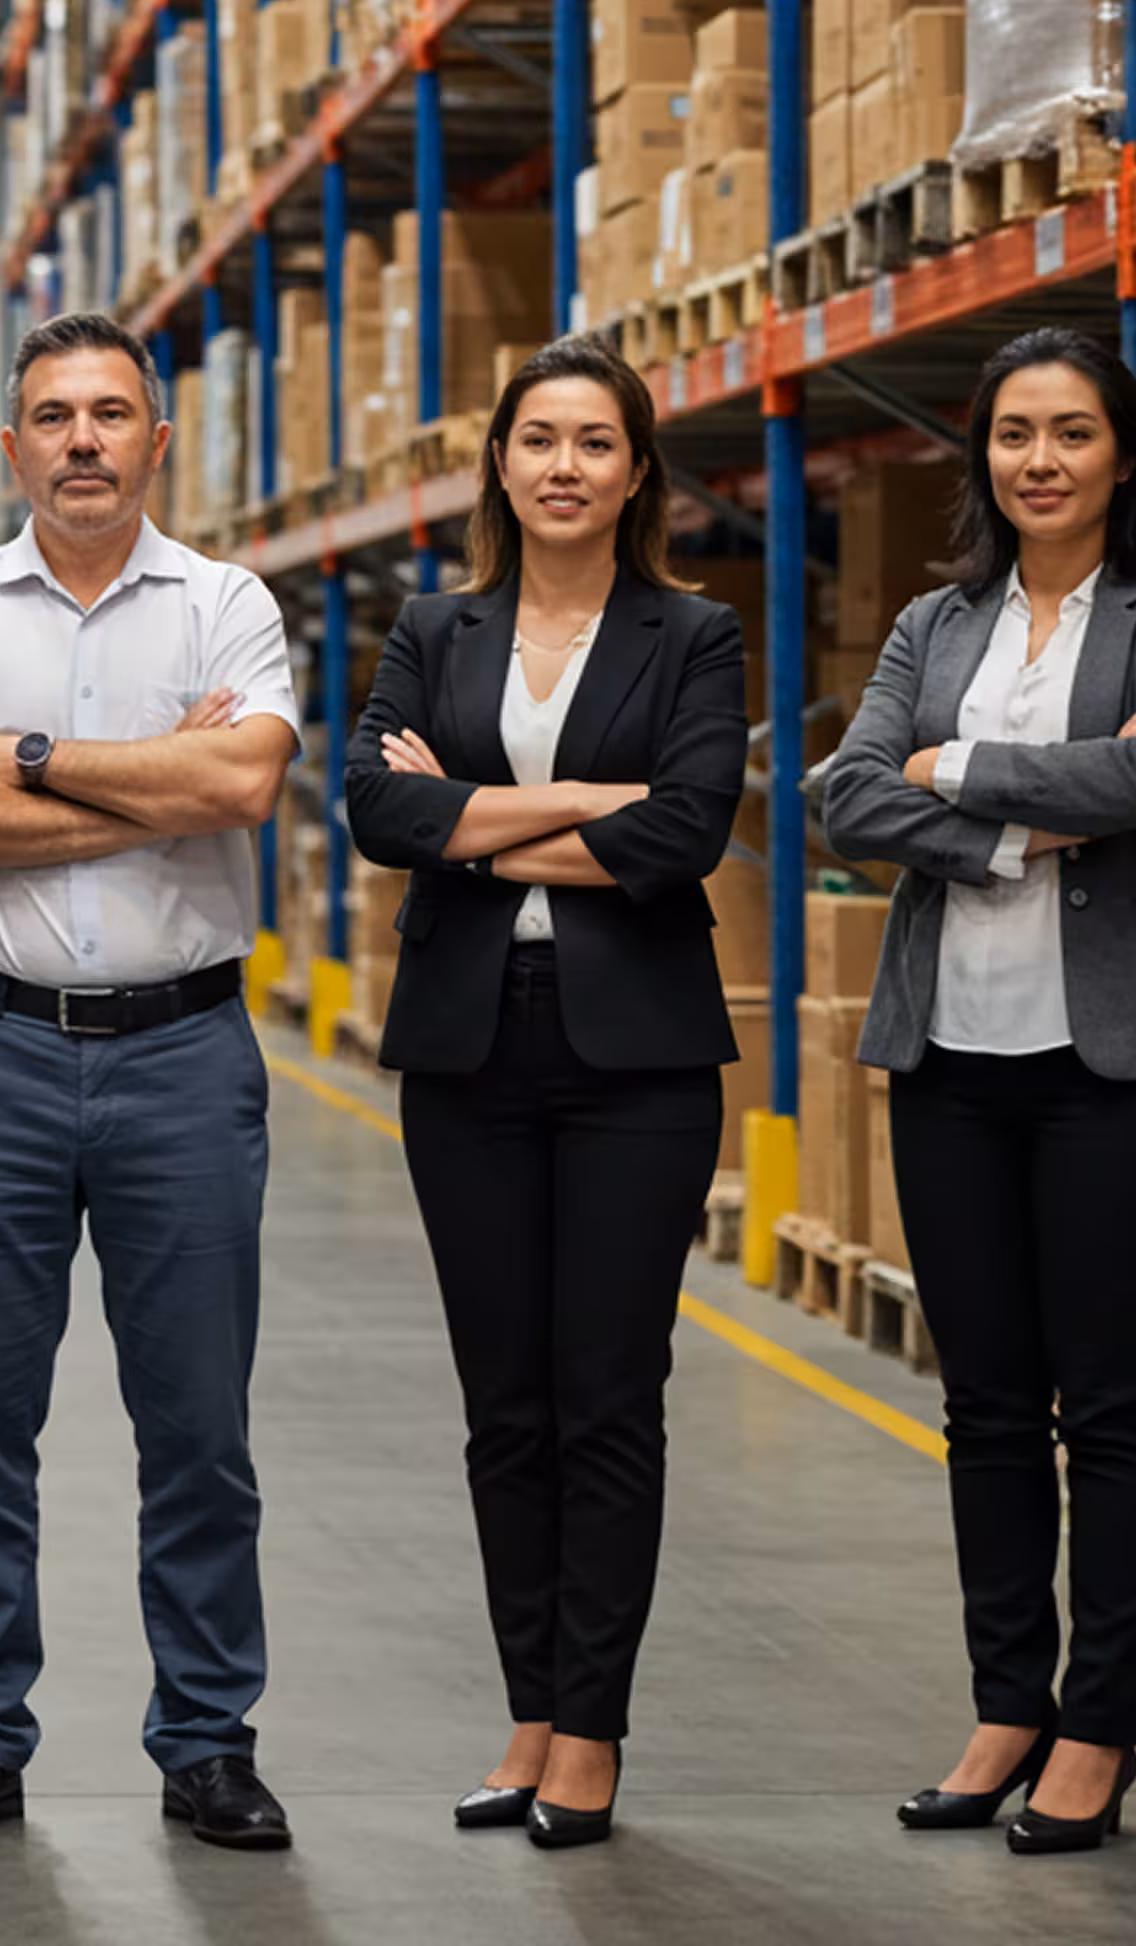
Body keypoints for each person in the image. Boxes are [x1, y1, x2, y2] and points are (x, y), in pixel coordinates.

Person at [0, 312, 303, 1855]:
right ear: (13, 447)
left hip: (186, 1050)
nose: (83, 441)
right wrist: (144, 782)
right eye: (53, 416)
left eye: (111, 413)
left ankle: (205, 1740)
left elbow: (243, 782)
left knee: (199, 1423)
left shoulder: (229, 602)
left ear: (158, 440)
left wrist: (30, 760)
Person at [816, 325, 1136, 1857]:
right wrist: (1006, 810)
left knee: (1112, 1403)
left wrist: (953, 773)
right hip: (952, 1062)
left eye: (1070, 432)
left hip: (1115, 1068)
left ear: (1123, 455)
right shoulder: (936, 625)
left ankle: (1099, 1726)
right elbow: (843, 791)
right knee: (986, 1405)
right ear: (982, 456)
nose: (1038, 460)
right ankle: (1009, 1701)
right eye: (1012, 434)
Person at [340, 337, 746, 1852]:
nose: (564, 465)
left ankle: (593, 1728)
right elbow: (384, 810)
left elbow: (691, 829)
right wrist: (591, 806)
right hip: (468, 1048)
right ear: (499, 465)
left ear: (637, 470)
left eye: (595, 441)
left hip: (635, 1057)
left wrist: (477, 821)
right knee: (504, 1404)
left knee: (606, 1401)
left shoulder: (692, 635)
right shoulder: (435, 626)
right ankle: (527, 1704)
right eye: (538, 439)